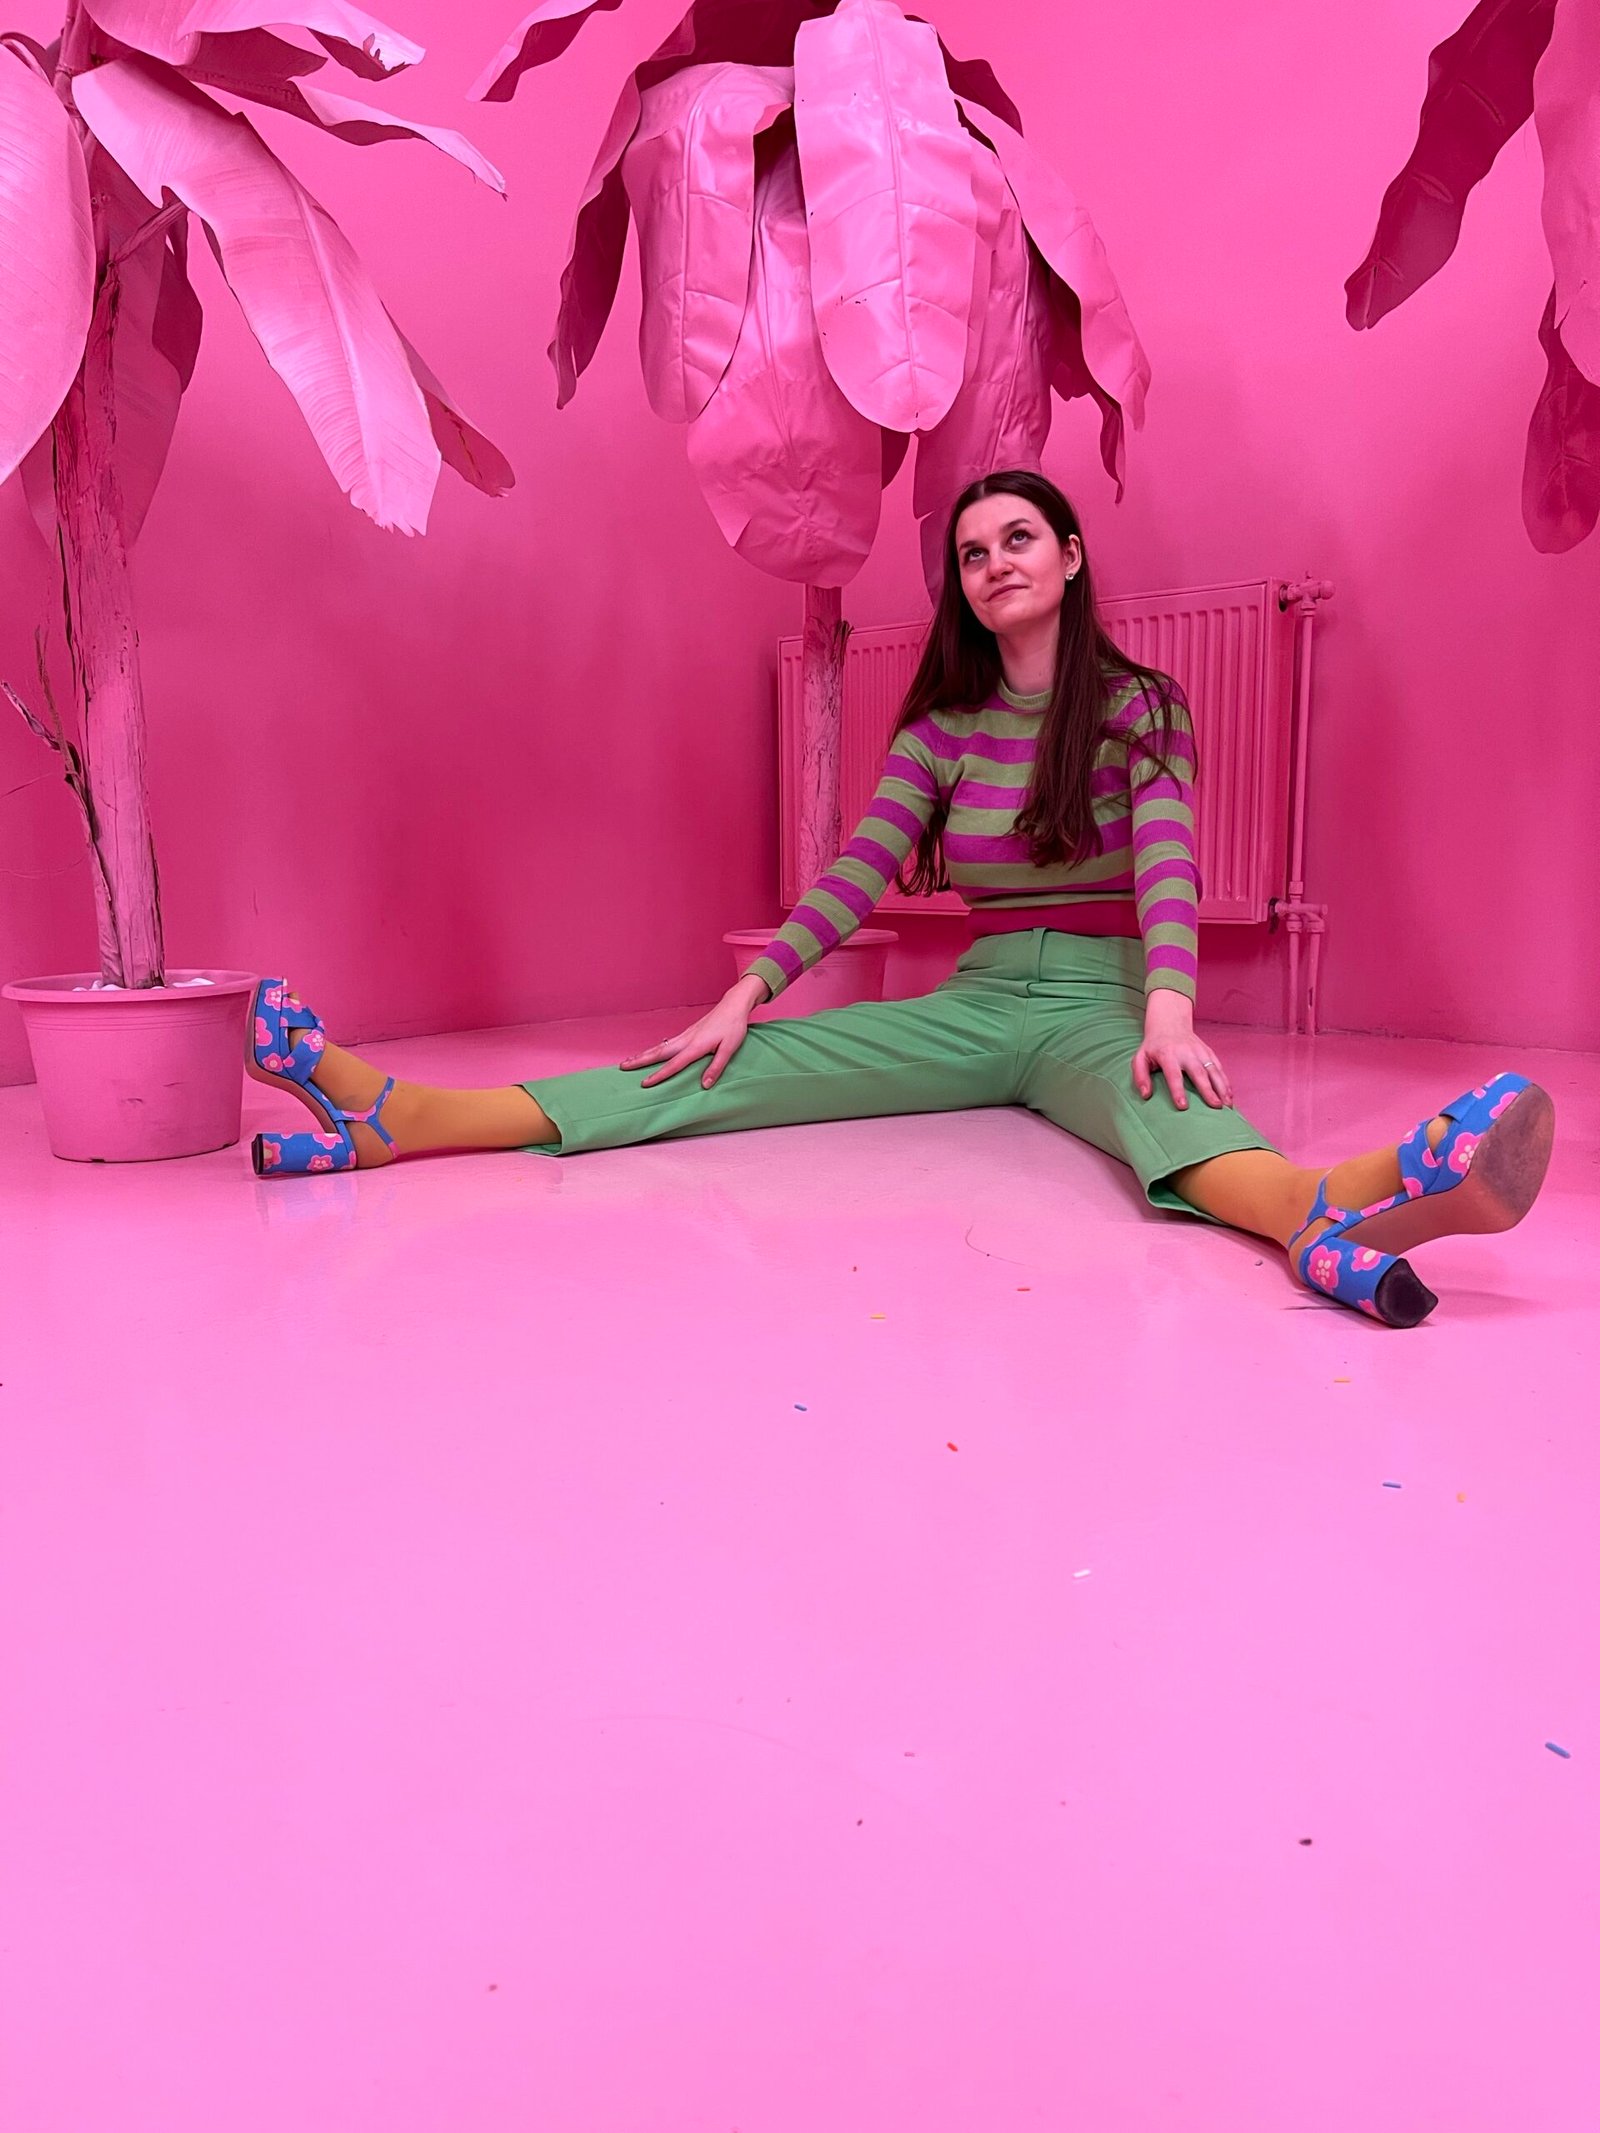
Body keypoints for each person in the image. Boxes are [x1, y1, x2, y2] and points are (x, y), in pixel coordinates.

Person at [246, 470, 1553, 1327]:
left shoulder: (1146, 708)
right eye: (972, 552)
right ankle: (398, 1116)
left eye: (1017, 539)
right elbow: (857, 874)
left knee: (1169, 1109)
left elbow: (1167, 860)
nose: (992, 564)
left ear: (1072, 553)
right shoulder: (942, 731)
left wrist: (1166, 1007)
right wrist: (743, 995)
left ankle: (1332, 1206)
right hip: (980, 1002)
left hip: (1105, 1004)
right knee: (724, 1068)